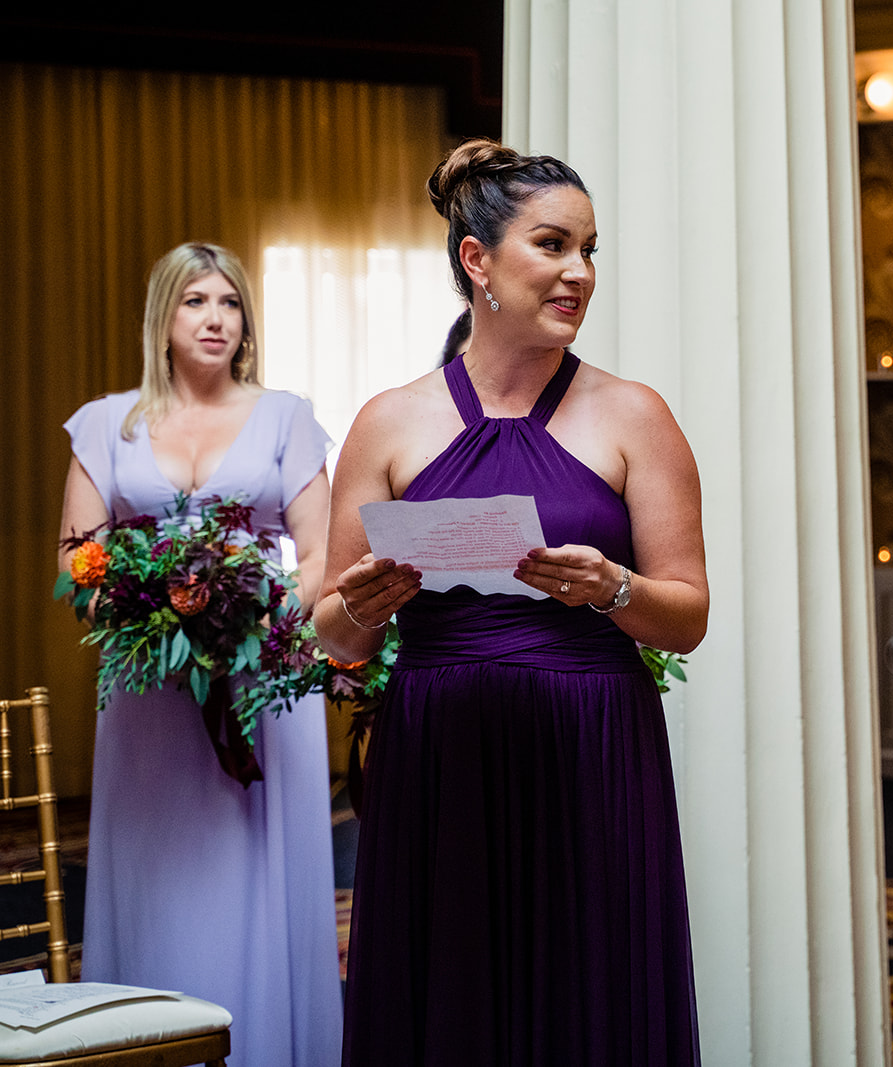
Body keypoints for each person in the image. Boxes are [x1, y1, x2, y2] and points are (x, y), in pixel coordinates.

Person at [317, 138, 707, 1065]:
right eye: (554, 245)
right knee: (452, 997)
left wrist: (612, 586)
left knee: (591, 994)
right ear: (476, 260)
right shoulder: (390, 419)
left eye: (590, 249)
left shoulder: (634, 414)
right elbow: (334, 636)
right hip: (440, 755)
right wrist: (365, 603)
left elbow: (687, 615)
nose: (580, 273)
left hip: (591, 744)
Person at [60, 242, 343, 1067]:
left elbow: (321, 554)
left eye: (229, 301)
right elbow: (79, 555)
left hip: (264, 682)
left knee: (257, 875)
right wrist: (146, 610)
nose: (216, 317)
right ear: (163, 318)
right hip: (152, 683)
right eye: (195, 301)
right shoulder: (105, 421)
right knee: (163, 874)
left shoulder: (287, 415)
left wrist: (255, 617)